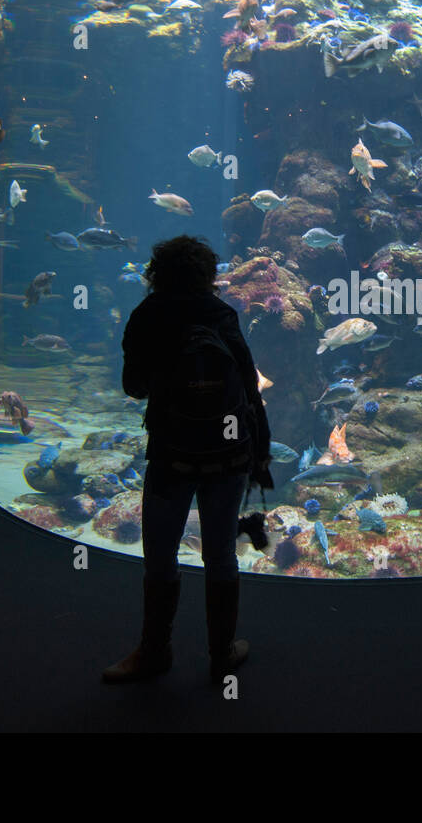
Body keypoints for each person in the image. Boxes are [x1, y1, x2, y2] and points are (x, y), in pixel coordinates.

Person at [104, 235, 273, 685]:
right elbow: (248, 386)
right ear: (208, 275)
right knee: (221, 555)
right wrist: (260, 453)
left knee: (160, 557)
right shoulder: (222, 315)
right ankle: (221, 655)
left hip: (172, 452)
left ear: (156, 273)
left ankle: (154, 651)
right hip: (228, 454)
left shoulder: (147, 316)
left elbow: (133, 387)